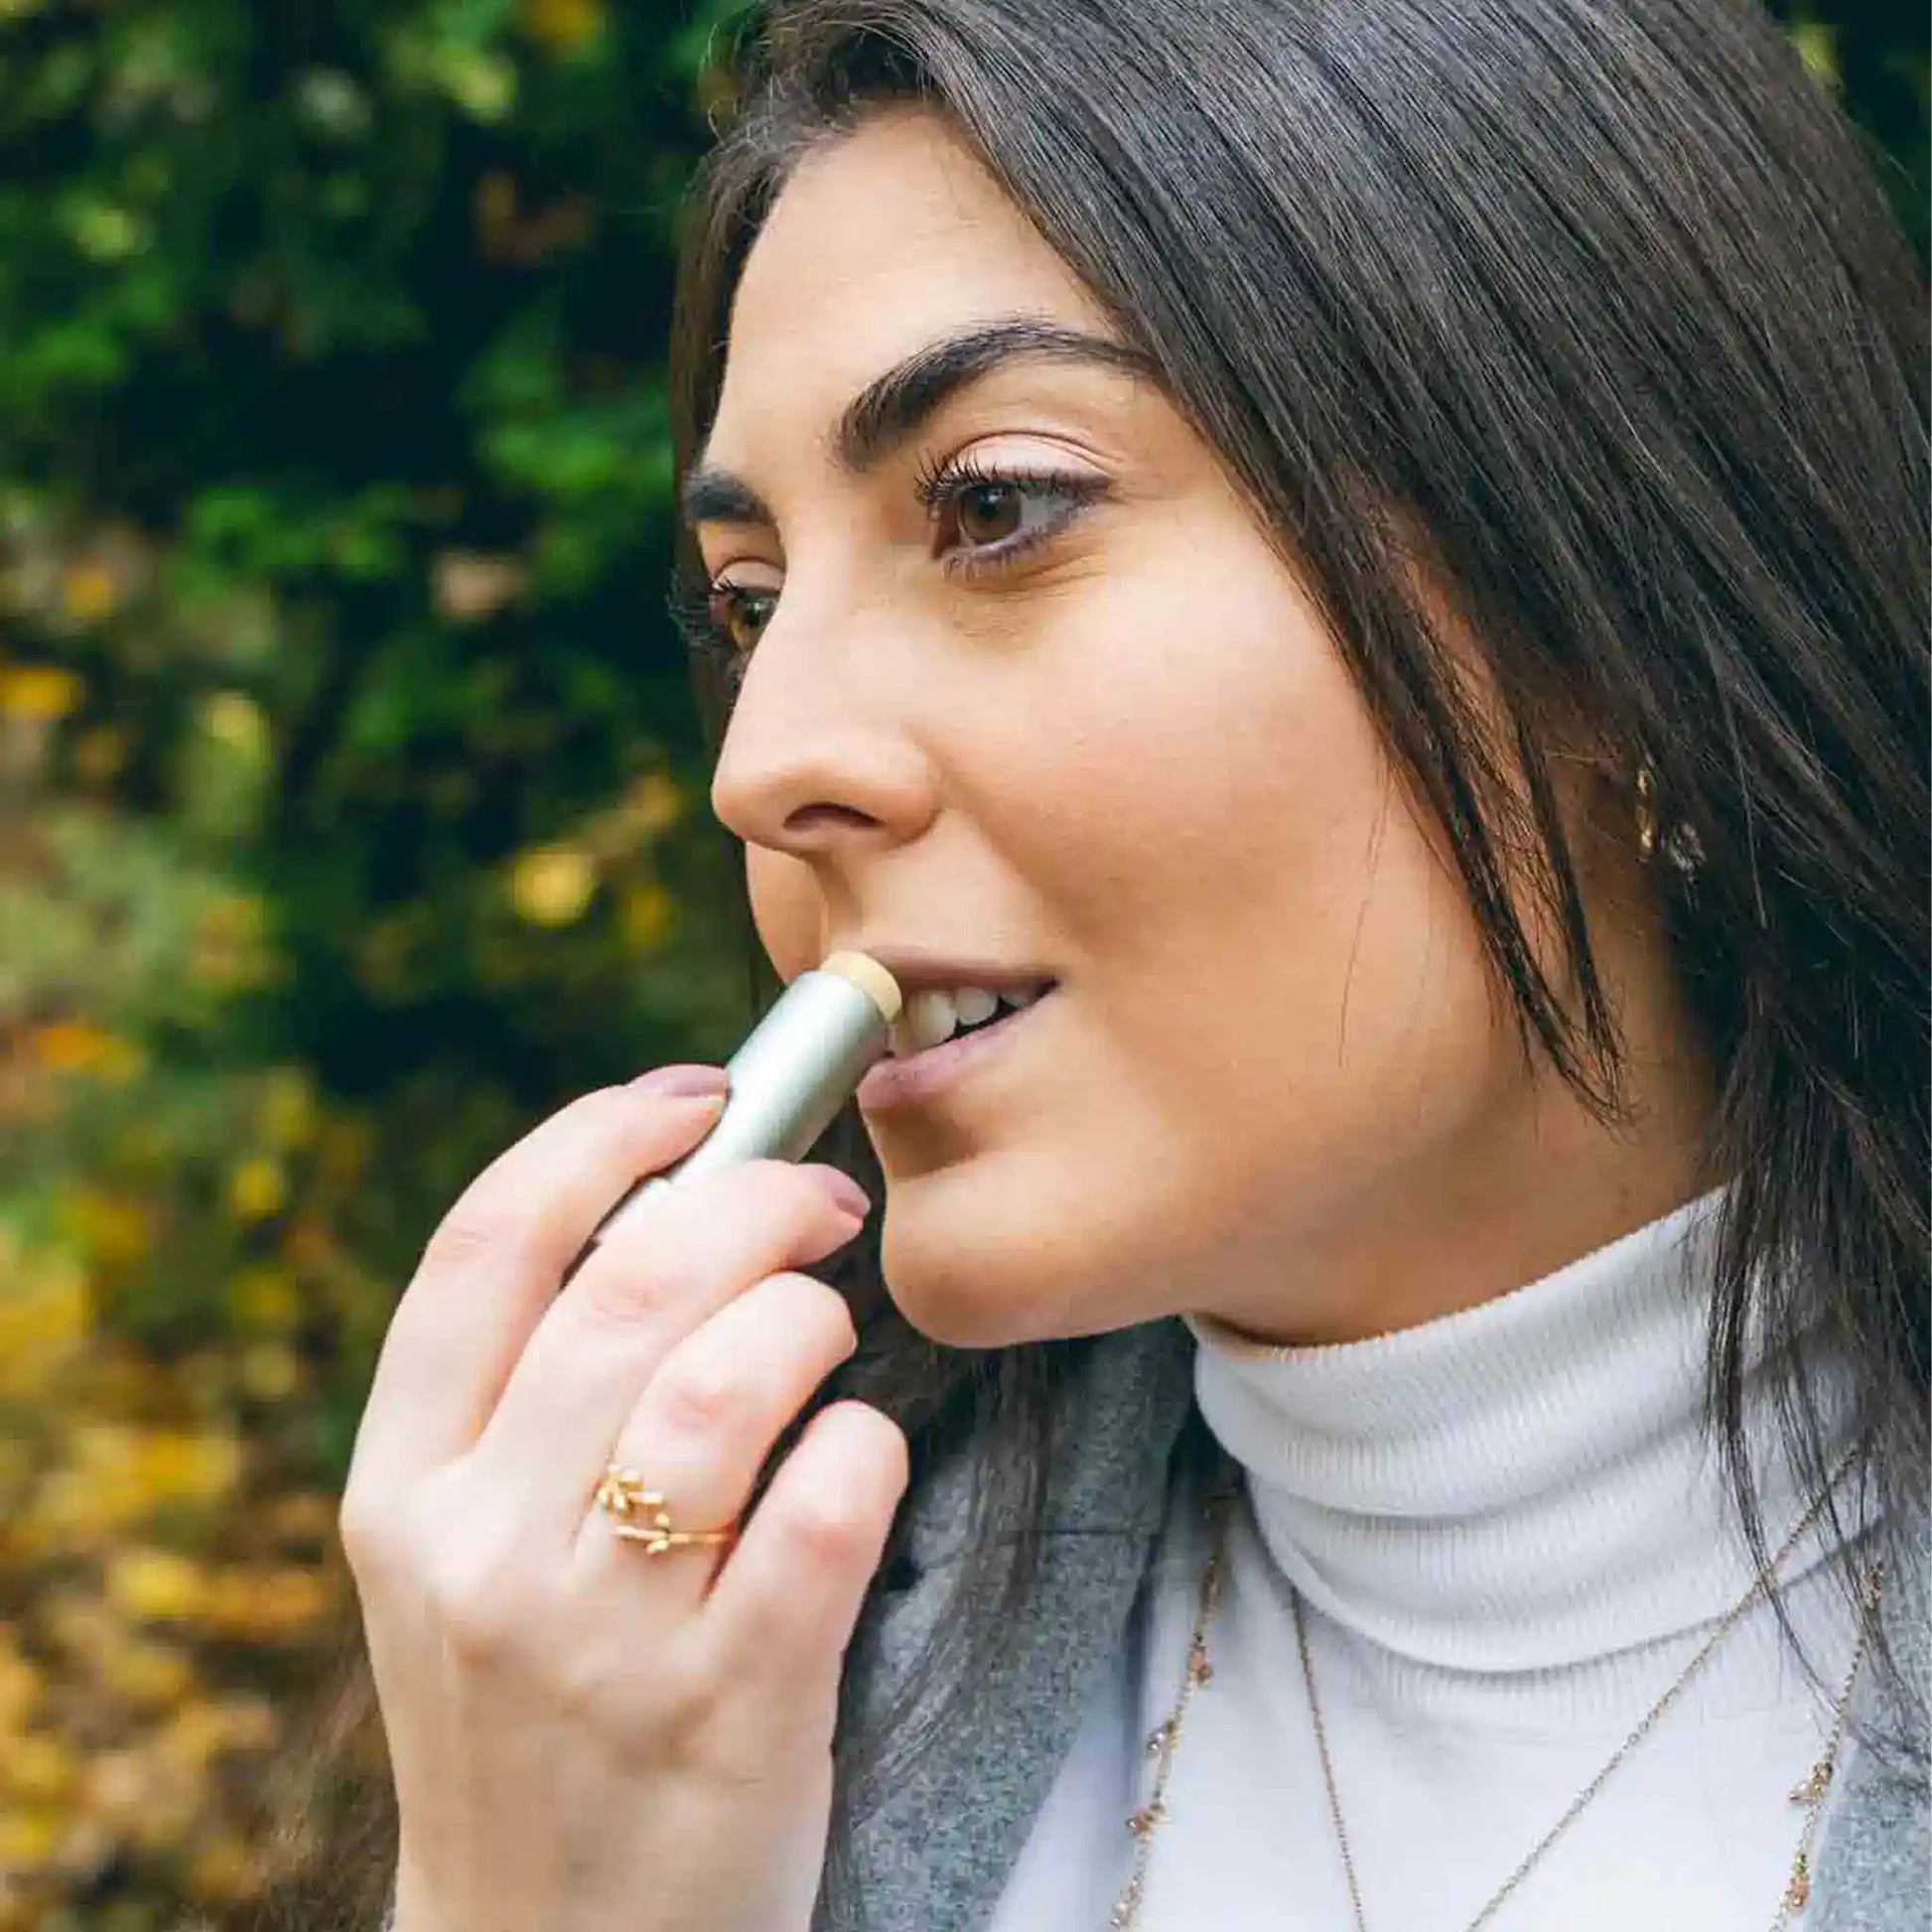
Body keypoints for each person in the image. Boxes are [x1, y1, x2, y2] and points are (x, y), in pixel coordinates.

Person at [339, 1, 1929, 1926]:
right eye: (750, 605)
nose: (760, 766)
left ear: (1621, 615)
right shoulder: (695, 1730)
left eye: (993, 508)